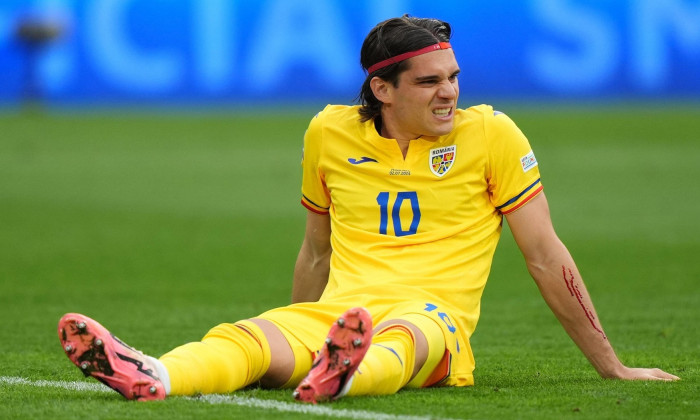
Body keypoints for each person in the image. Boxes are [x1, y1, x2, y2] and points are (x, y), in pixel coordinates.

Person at [57, 15, 679, 404]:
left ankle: (344, 374)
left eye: (454, 77)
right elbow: (316, 249)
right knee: (250, 340)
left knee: (404, 343)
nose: (451, 92)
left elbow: (545, 256)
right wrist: (301, 325)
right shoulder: (329, 133)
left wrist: (612, 367)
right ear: (382, 90)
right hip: (339, 312)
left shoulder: (491, 135)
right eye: (430, 82)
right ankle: (156, 375)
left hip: (436, 319)